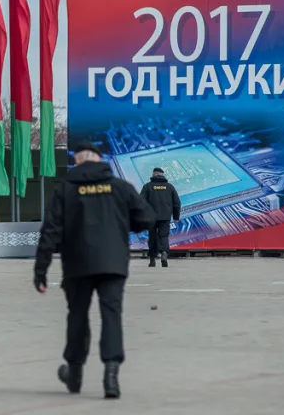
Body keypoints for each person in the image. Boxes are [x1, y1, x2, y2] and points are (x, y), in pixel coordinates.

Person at [33, 141, 155, 400]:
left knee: (77, 316)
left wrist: (41, 271)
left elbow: (50, 232)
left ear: (77, 161)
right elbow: (146, 218)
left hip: (77, 264)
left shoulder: (65, 190)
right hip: (113, 263)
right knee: (111, 314)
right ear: (100, 160)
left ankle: (74, 374)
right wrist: (123, 223)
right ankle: (111, 375)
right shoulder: (121, 187)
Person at [139, 167, 182, 268]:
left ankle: (152, 260)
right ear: (162, 175)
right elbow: (177, 203)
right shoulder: (169, 187)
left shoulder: (147, 187)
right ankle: (164, 254)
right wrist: (176, 217)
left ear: (153, 175)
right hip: (165, 217)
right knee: (163, 236)